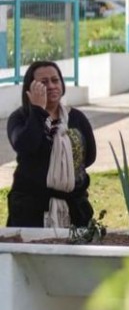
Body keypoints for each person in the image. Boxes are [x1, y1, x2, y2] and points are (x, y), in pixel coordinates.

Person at [6, 61, 96, 228]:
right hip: (31, 210)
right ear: (30, 88)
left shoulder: (76, 118)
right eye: (44, 82)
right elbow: (25, 145)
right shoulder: (20, 118)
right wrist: (38, 111)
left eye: (55, 80)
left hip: (75, 207)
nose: (52, 86)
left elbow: (89, 157)